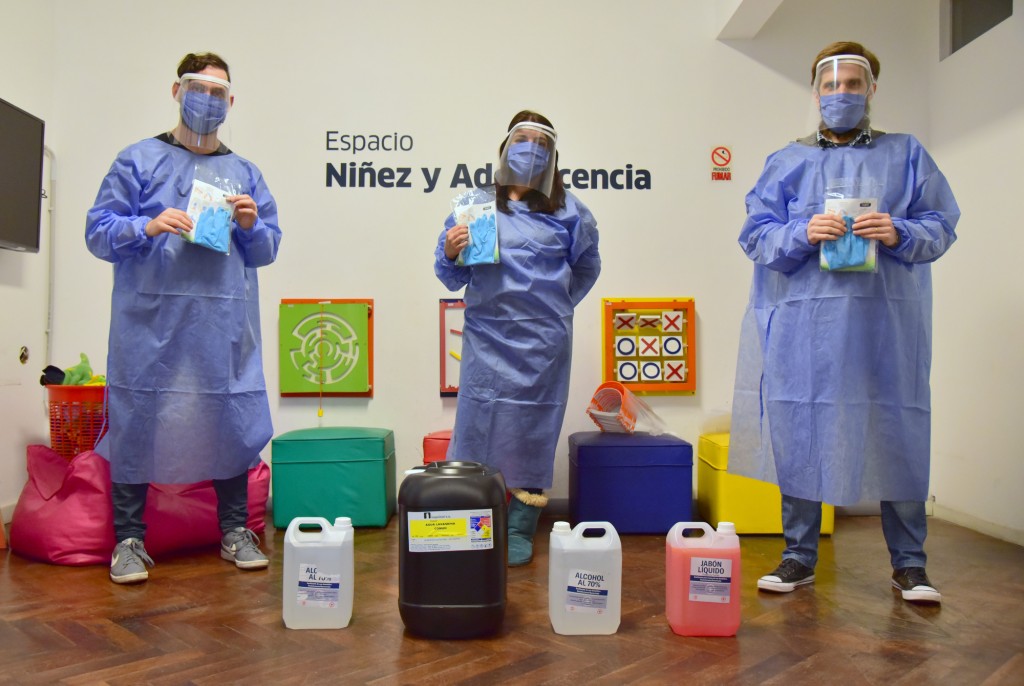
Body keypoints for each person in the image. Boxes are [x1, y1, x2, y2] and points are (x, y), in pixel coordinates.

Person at [730, 42, 959, 603]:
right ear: (816, 93)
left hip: (885, 326)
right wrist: (801, 231)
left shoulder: (906, 154)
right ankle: (798, 557)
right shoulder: (787, 161)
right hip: (804, 330)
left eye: (852, 84)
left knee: (897, 429)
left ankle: (910, 565)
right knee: (800, 428)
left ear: (871, 89)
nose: (840, 94)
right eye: (830, 85)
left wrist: (900, 231)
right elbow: (756, 235)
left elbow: (942, 223)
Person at [86, 52, 282, 584]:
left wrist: (250, 225)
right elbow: (98, 231)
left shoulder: (245, 174)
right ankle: (129, 540)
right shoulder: (138, 161)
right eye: (198, 88)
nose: (208, 100)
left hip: (221, 324)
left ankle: (235, 531)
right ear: (177, 91)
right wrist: (146, 225)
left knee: (228, 417)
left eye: (218, 93)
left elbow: (267, 249)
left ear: (231, 101)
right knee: (137, 417)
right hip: (148, 323)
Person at [434, 110, 601, 566]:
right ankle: (474, 520)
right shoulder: (475, 204)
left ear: (553, 156)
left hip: (544, 342)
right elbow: (450, 274)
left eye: (541, 143)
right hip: (487, 337)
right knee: (477, 426)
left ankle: (521, 527)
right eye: (522, 139)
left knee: (533, 430)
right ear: (505, 149)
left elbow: (587, 266)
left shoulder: (570, 211)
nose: (531, 149)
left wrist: (554, 306)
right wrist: (450, 250)